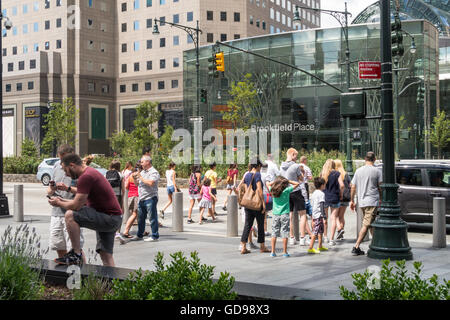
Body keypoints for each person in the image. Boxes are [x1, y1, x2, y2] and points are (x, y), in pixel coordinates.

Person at [48, 154, 123, 266]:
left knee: (70, 215)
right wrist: (62, 199)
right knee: (106, 255)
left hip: (108, 218)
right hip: (113, 217)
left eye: (65, 170)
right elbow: (79, 200)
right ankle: (111, 282)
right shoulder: (90, 172)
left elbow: (76, 206)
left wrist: (59, 203)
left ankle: (76, 254)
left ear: (72, 165)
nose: (66, 174)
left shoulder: (85, 177)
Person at [47, 144, 85, 263]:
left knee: (75, 249)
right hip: (56, 213)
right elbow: (49, 190)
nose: (61, 162)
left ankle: (84, 274)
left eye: (63, 159)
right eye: (60, 159)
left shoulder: (79, 169)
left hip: (72, 213)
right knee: (59, 246)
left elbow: (83, 192)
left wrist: (67, 188)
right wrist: (52, 190)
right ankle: (64, 274)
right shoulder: (56, 167)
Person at [350, 151, 382, 256]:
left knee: (370, 223)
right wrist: (382, 198)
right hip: (372, 200)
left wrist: (352, 200)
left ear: (365, 159)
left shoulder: (358, 171)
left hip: (362, 201)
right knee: (366, 224)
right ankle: (356, 246)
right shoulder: (377, 171)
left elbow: (353, 186)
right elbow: (380, 186)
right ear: (375, 159)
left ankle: (375, 244)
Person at [239, 158, 270, 254]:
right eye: (260, 167)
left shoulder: (247, 174)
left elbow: (242, 187)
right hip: (257, 203)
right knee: (260, 225)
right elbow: (259, 190)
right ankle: (262, 246)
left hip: (248, 203)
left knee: (248, 225)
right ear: (258, 166)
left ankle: (243, 246)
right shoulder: (257, 174)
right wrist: (263, 203)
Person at [280, 148, 309, 246]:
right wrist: (301, 174)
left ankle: (291, 237)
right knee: (303, 214)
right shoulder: (295, 166)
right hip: (296, 191)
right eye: (296, 155)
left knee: (290, 215)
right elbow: (301, 179)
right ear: (292, 154)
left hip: (286, 192)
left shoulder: (281, 166)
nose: (296, 158)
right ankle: (302, 238)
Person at [129, 155, 160, 242]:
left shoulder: (154, 172)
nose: (141, 164)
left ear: (148, 162)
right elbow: (137, 184)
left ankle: (154, 236)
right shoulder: (143, 172)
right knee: (141, 218)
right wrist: (135, 178)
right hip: (141, 198)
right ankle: (140, 235)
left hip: (150, 198)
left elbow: (150, 183)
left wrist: (140, 176)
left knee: (152, 218)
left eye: (142, 162)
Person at [268, 176, 299, 258]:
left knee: (274, 232)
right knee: (284, 232)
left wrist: (275, 182)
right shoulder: (286, 190)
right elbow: (297, 184)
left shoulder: (273, 190)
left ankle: (272, 252)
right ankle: (285, 252)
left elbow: (267, 183)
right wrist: (288, 180)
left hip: (275, 214)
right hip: (285, 213)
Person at [321, 159, 344, 246]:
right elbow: (342, 185)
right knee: (333, 218)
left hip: (325, 197)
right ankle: (331, 239)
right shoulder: (337, 173)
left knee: (325, 218)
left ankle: (325, 237)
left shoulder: (323, 174)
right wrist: (341, 194)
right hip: (335, 197)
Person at [307, 177, 329, 254]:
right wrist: (324, 216)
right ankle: (310, 247)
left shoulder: (314, 193)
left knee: (320, 231)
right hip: (319, 215)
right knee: (315, 231)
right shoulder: (321, 194)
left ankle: (320, 246)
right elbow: (322, 205)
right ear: (322, 185)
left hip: (315, 214)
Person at [121, 162, 141, 238]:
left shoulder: (130, 176)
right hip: (136, 196)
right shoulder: (138, 175)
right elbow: (139, 185)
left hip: (130, 196)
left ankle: (142, 230)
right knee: (135, 214)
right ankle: (126, 231)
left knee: (138, 214)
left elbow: (126, 186)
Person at [334, 159, 351, 241]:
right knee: (341, 216)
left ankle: (340, 229)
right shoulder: (346, 174)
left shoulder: (335, 174)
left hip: (338, 196)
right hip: (346, 197)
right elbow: (350, 185)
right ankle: (341, 233)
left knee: (335, 216)